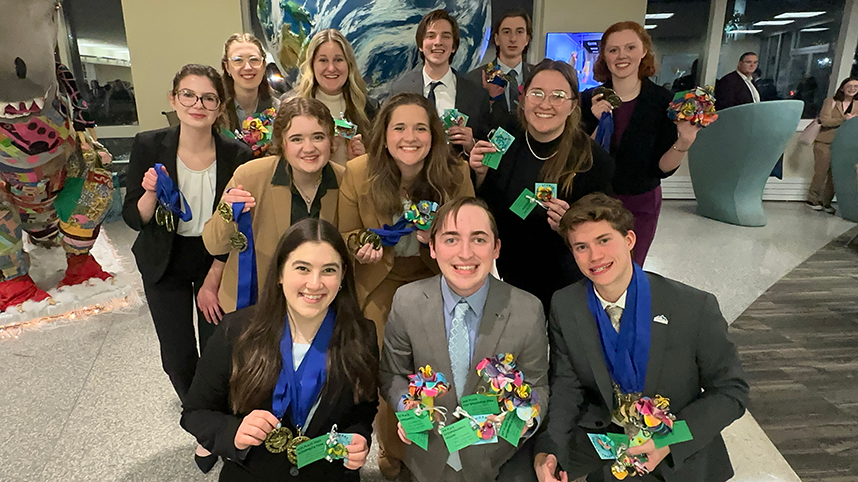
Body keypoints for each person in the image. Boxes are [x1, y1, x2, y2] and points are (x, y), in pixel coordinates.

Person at [533, 193, 749, 482]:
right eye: (581, 247)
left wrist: (670, 439)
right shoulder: (566, 304)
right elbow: (565, 387)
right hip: (603, 437)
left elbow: (730, 391)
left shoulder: (692, 306)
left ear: (630, 240)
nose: (595, 256)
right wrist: (551, 449)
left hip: (675, 440)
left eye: (604, 240)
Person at [338, 92, 474, 478]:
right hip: (381, 279)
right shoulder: (359, 171)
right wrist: (361, 246)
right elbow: (346, 232)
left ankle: (440, 448)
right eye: (399, 127)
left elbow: (470, 230)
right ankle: (395, 453)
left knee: (438, 364)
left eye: (420, 128)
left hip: (438, 275)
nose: (409, 137)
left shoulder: (455, 173)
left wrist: (443, 237)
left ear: (434, 135)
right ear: (383, 134)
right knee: (389, 368)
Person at [181, 218, 379, 480]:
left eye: (329, 270)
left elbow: (365, 406)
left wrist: (360, 437)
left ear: (343, 276)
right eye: (302, 268)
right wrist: (233, 432)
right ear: (279, 274)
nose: (315, 283)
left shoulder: (361, 334)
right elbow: (195, 413)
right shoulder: (237, 331)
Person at [380, 196, 548, 482]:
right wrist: (405, 406)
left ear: (496, 248)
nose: (465, 253)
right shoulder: (407, 302)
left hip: (494, 458)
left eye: (479, 239)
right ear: (432, 247)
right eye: (451, 239)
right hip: (427, 457)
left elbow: (537, 385)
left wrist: (526, 418)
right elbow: (392, 374)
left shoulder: (527, 310)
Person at [122, 64, 253, 403]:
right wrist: (149, 192)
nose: (198, 104)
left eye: (209, 98)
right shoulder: (149, 145)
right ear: (174, 99)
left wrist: (214, 278)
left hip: (216, 257)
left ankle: (213, 416)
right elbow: (134, 219)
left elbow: (236, 225)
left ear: (220, 107)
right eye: (189, 95)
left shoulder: (237, 155)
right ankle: (197, 413)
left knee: (218, 351)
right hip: (164, 258)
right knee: (178, 356)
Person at [470, 59, 615, 312]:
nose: (545, 104)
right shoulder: (505, 135)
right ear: (524, 98)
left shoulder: (592, 160)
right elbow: (486, 202)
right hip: (505, 272)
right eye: (537, 93)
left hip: (565, 280)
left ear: (572, 105)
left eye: (558, 96)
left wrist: (572, 227)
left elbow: (605, 228)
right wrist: (480, 173)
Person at [202, 97, 345, 313]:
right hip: (256, 303)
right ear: (282, 143)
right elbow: (214, 245)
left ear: (331, 141)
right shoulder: (250, 176)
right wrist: (226, 214)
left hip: (318, 304)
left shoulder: (345, 181)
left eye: (318, 137)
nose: (309, 148)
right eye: (296, 139)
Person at [580, 21, 699, 267]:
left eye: (630, 47)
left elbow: (662, 169)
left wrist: (685, 141)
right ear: (604, 56)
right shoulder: (588, 100)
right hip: (594, 203)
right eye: (613, 50)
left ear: (643, 50)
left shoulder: (663, 102)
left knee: (630, 269)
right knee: (593, 268)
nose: (621, 56)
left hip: (640, 204)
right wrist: (593, 121)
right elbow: (578, 159)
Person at [389, 9, 491, 156]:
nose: (438, 42)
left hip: (455, 175)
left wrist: (471, 144)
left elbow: (488, 151)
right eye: (431, 36)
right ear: (421, 45)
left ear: (454, 46)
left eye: (446, 36)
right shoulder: (400, 90)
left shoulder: (477, 95)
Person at [290, 29, 379, 166]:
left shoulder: (370, 108)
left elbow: (382, 165)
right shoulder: (292, 108)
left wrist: (363, 160)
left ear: (349, 65)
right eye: (323, 60)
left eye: (338, 60)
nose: (331, 68)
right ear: (312, 65)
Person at [466, 9, 534, 130]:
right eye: (506, 32)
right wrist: (489, 101)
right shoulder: (474, 78)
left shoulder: (537, 76)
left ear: (527, 39)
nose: (513, 38)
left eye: (519, 32)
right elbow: (469, 124)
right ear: (497, 39)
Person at [221, 33, 281, 156]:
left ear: (264, 65)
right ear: (227, 67)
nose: (247, 67)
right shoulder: (217, 113)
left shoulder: (280, 110)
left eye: (254, 60)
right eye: (238, 60)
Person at [806, 77, 858, 214]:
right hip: (824, 142)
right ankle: (813, 199)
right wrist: (844, 119)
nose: (852, 89)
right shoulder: (831, 102)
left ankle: (826, 202)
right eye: (849, 86)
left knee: (835, 175)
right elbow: (825, 121)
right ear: (842, 87)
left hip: (844, 144)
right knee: (821, 172)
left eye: (856, 86)